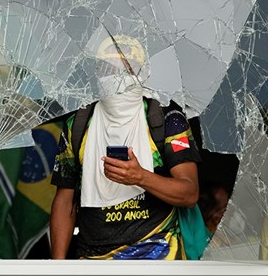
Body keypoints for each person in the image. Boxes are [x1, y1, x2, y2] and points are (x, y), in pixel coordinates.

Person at [50, 35, 201, 260]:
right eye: (107, 68)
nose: (117, 77)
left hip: (160, 258)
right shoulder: (78, 125)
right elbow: (65, 201)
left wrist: (140, 177)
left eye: (127, 68)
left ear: (143, 72)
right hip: (93, 262)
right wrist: (57, 269)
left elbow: (189, 193)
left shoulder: (166, 118)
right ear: (96, 74)